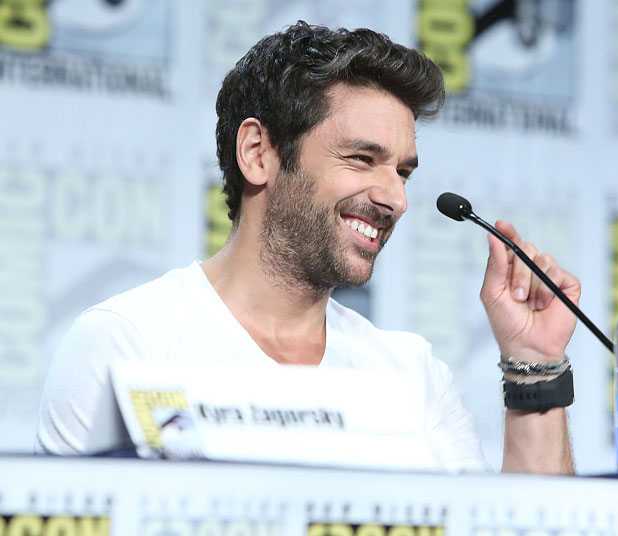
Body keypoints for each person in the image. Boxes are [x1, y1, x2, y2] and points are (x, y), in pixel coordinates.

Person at [36, 21, 580, 473]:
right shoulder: (126, 344)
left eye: (403, 172)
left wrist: (535, 367)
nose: (396, 198)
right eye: (362, 159)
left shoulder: (411, 376)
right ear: (257, 153)